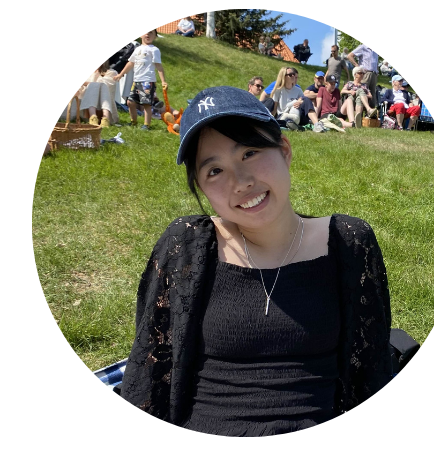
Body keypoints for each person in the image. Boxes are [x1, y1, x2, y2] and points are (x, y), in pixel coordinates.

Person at [119, 85, 393, 436]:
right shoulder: (186, 245)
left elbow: (371, 371)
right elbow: (149, 370)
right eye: (214, 171)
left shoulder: (348, 242)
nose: (241, 182)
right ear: (201, 188)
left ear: (284, 151)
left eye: (249, 152)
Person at [114, 30, 168, 130]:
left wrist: (163, 81)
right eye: (146, 32)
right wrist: (121, 74)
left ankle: (146, 125)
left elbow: (159, 66)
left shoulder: (154, 50)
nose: (147, 34)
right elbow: (130, 63)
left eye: (151, 33)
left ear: (155, 36)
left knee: (146, 103)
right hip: (136, 81)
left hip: (147, 81)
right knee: (130, 102)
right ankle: (133, 122)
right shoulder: (137, 49)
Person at [62, 60, 119, 127]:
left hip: (102, 103)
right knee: (93, 86)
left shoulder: (111, 73)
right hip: (86, 107)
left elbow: (104, 87)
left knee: (98, 86)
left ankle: (105, 117)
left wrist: (85, 83)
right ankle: (93, 117)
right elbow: (79, 90)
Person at [271, 67, 325, 132]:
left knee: (306, 99)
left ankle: (317, 125)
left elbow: (303, 100)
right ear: (284, 77)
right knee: (287, 119)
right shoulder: (278, 91)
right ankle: (293, 125)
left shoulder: (298, 90)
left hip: (299, 116)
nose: (293, 76)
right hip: (284, 116)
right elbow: (274, 108)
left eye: (293, 74)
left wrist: (300, 102)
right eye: (290, 75)